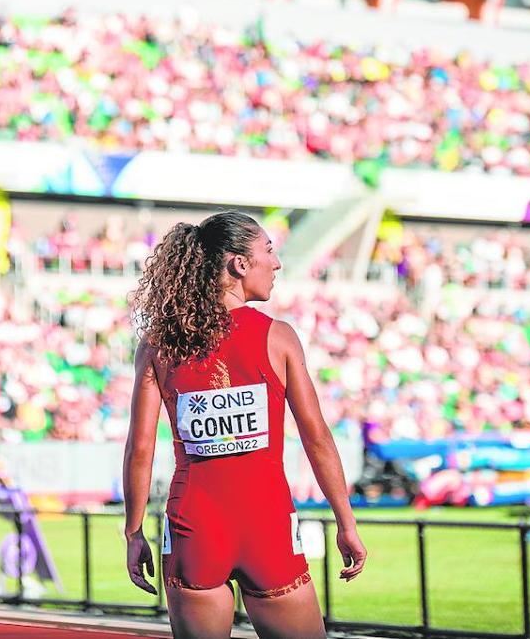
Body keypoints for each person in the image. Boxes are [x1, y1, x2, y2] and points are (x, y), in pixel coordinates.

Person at [123, 211, 366, 639]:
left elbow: (140, 448)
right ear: (239, 263)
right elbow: (317, 439)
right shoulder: (278, 336)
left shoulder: (159, 344)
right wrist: (345, 523)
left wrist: (134, 530)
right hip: (265, 521)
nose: (277, 263)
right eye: (268, 251)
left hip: (194, 524)